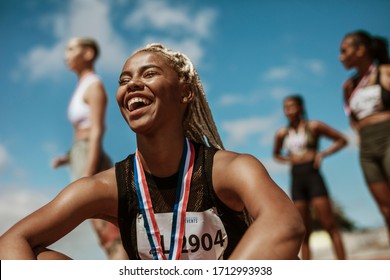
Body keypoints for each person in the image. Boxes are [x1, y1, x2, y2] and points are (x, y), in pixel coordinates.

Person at [0, 43, 304, 260]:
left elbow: (285, 224)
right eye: (124, 80)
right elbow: (13, 240)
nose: (132, 84)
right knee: (41, 261)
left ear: (185, 91)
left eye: (148, 74)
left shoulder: (230, 169)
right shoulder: (107, 186)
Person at [51, 37, 126, 259]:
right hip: (80, 153)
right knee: (100, 225)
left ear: (88, 53)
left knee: (107, 226)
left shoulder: (94, 85)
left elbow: (96, 130)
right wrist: (67, 158)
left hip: (88, 156)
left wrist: (88, 173)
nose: (66, 54)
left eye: (72, 48)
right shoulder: (82, 86)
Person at [273, 95, 347, 260]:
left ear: (301, 107)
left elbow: (342, 140)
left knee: (329, 225)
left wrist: (322, 154)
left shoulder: (314, 126)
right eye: (286, 108)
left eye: (292, 106)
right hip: (296, 178)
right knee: (304, 230)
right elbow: (276, 154)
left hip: (313, 176)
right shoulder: (282, 133)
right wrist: (290, 159)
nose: (289, 110)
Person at [339, 30, 390, 242]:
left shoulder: (385, 72)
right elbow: (352, 117)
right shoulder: (348, 85)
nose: (340, 56)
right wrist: (359, 133)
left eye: (344, 51)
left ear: (361, 50)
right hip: (367, 148)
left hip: (388, 138)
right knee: (385, 208)